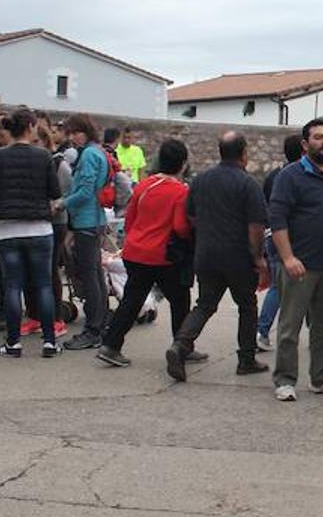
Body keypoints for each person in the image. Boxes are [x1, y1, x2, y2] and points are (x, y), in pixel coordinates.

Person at [165, 132, 269, 381]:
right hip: (238, 256)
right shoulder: (248, 184)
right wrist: (258, 257)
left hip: (206, 252)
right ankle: (246, 358)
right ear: (244, 154)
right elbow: (256, 225)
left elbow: (190, 215)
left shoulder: (201, 180)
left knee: (205, 304)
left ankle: (180, 345)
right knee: (247, 306)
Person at [269, 119, 323, 402]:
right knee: (290, 326)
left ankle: (322, 378)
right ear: (305, 144)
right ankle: (285, 380)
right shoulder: (290, 176)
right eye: (318, 137)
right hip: (300, 266)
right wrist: (288, 257)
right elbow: (277, 219)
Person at [96, 139, 193, 366]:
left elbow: (130, 220)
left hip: (135, 251)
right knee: (180, 300)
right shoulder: (180, 192)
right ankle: (182, 347)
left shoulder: (144, 185)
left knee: (131, 299)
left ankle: (111, 344)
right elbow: (180, 227)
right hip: (162, 256)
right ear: (183, 164)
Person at [0, 109, 62, 358]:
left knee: (13, 285)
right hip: (39, 227)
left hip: (7, 228)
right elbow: (55, 191)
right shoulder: (44, 156)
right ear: (30, 126)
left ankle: (13, 342)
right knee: (43, 285)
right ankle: (49, 341)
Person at [60, 115, 112, 351]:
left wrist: (62, 204)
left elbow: (85, 191)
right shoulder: (96, 151)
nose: (71, 138)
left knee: (89, 275)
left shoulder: (89, 154)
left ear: (85, 132)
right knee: (95, 275)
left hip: (86, 221)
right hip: (94, 220)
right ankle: (99, 325)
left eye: (75, 133)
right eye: (69, 134)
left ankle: (93, 328)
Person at [258, 134, 305, 351]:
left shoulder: (274, 175)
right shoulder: (300, 176)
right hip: (290, 236)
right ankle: (265, 330)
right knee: (292, 285)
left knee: (278, 285)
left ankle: (263, 330)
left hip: (271, 234)